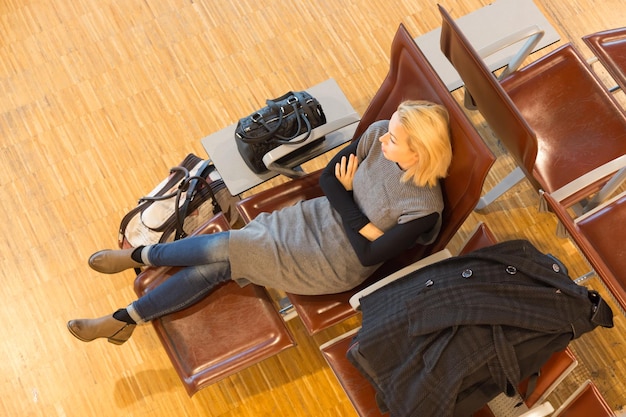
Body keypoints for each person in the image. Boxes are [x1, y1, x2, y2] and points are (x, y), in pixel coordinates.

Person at [67, 100, 453, 345]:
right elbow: (327, 180)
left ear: (418, 154)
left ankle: (143, 256)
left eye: (394, 140)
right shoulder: (376, 134)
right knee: (222, 265)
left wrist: (348, 197)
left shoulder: (423, 209)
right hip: (314, 218)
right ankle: (125, 320)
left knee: (231, 247)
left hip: (335, 261)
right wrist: (360, 217)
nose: (383, 137)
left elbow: (368, 255)